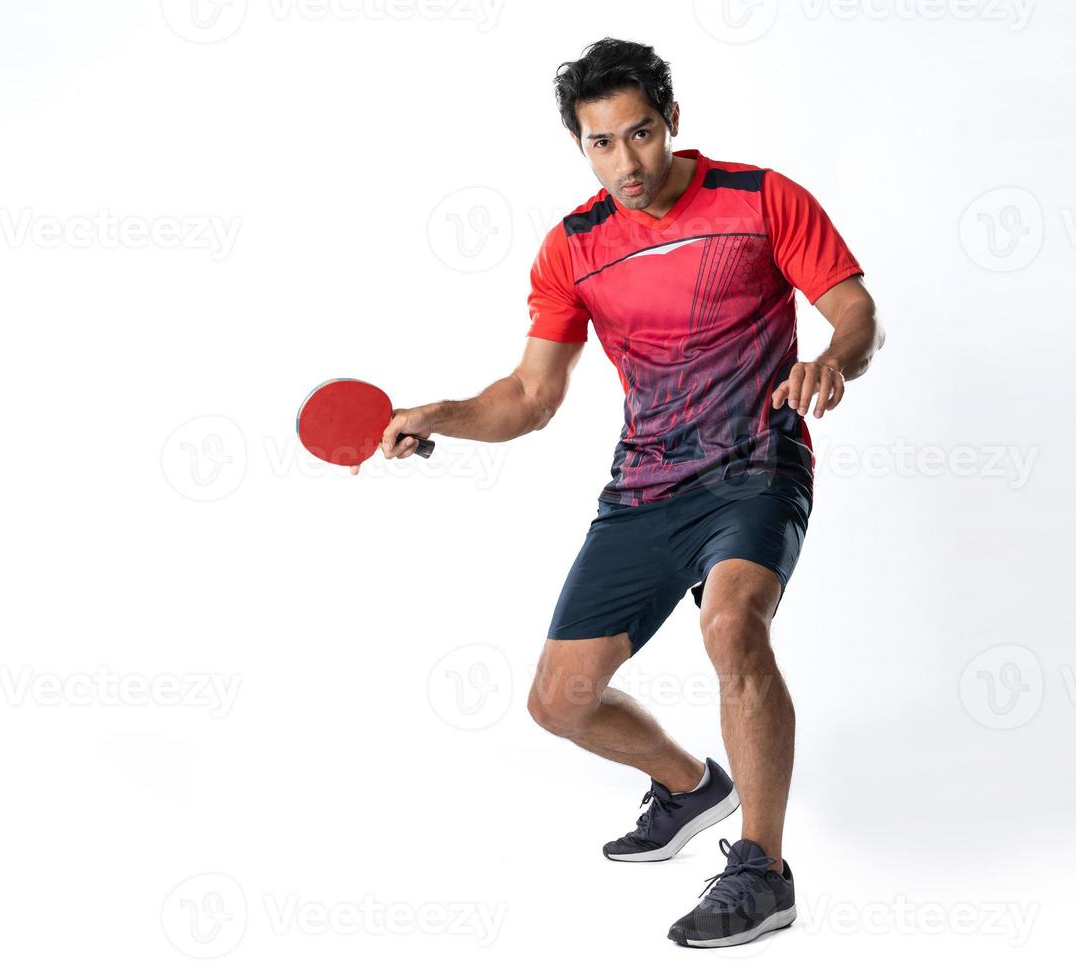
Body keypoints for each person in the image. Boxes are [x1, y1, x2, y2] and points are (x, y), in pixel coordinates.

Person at [357, 37, 883, 948]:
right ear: (580, 146)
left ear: (672, 121)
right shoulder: (574, 247)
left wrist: (832, 363)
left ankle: (762, 871)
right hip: (645, 485)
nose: (627, 163)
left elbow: (855, 309)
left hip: (754, 465)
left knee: (732, 627)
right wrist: (437, 412)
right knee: (558, 702)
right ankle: (691, 786)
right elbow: (529, 398)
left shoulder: (761, 199)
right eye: (601, 144)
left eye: (640, 135)